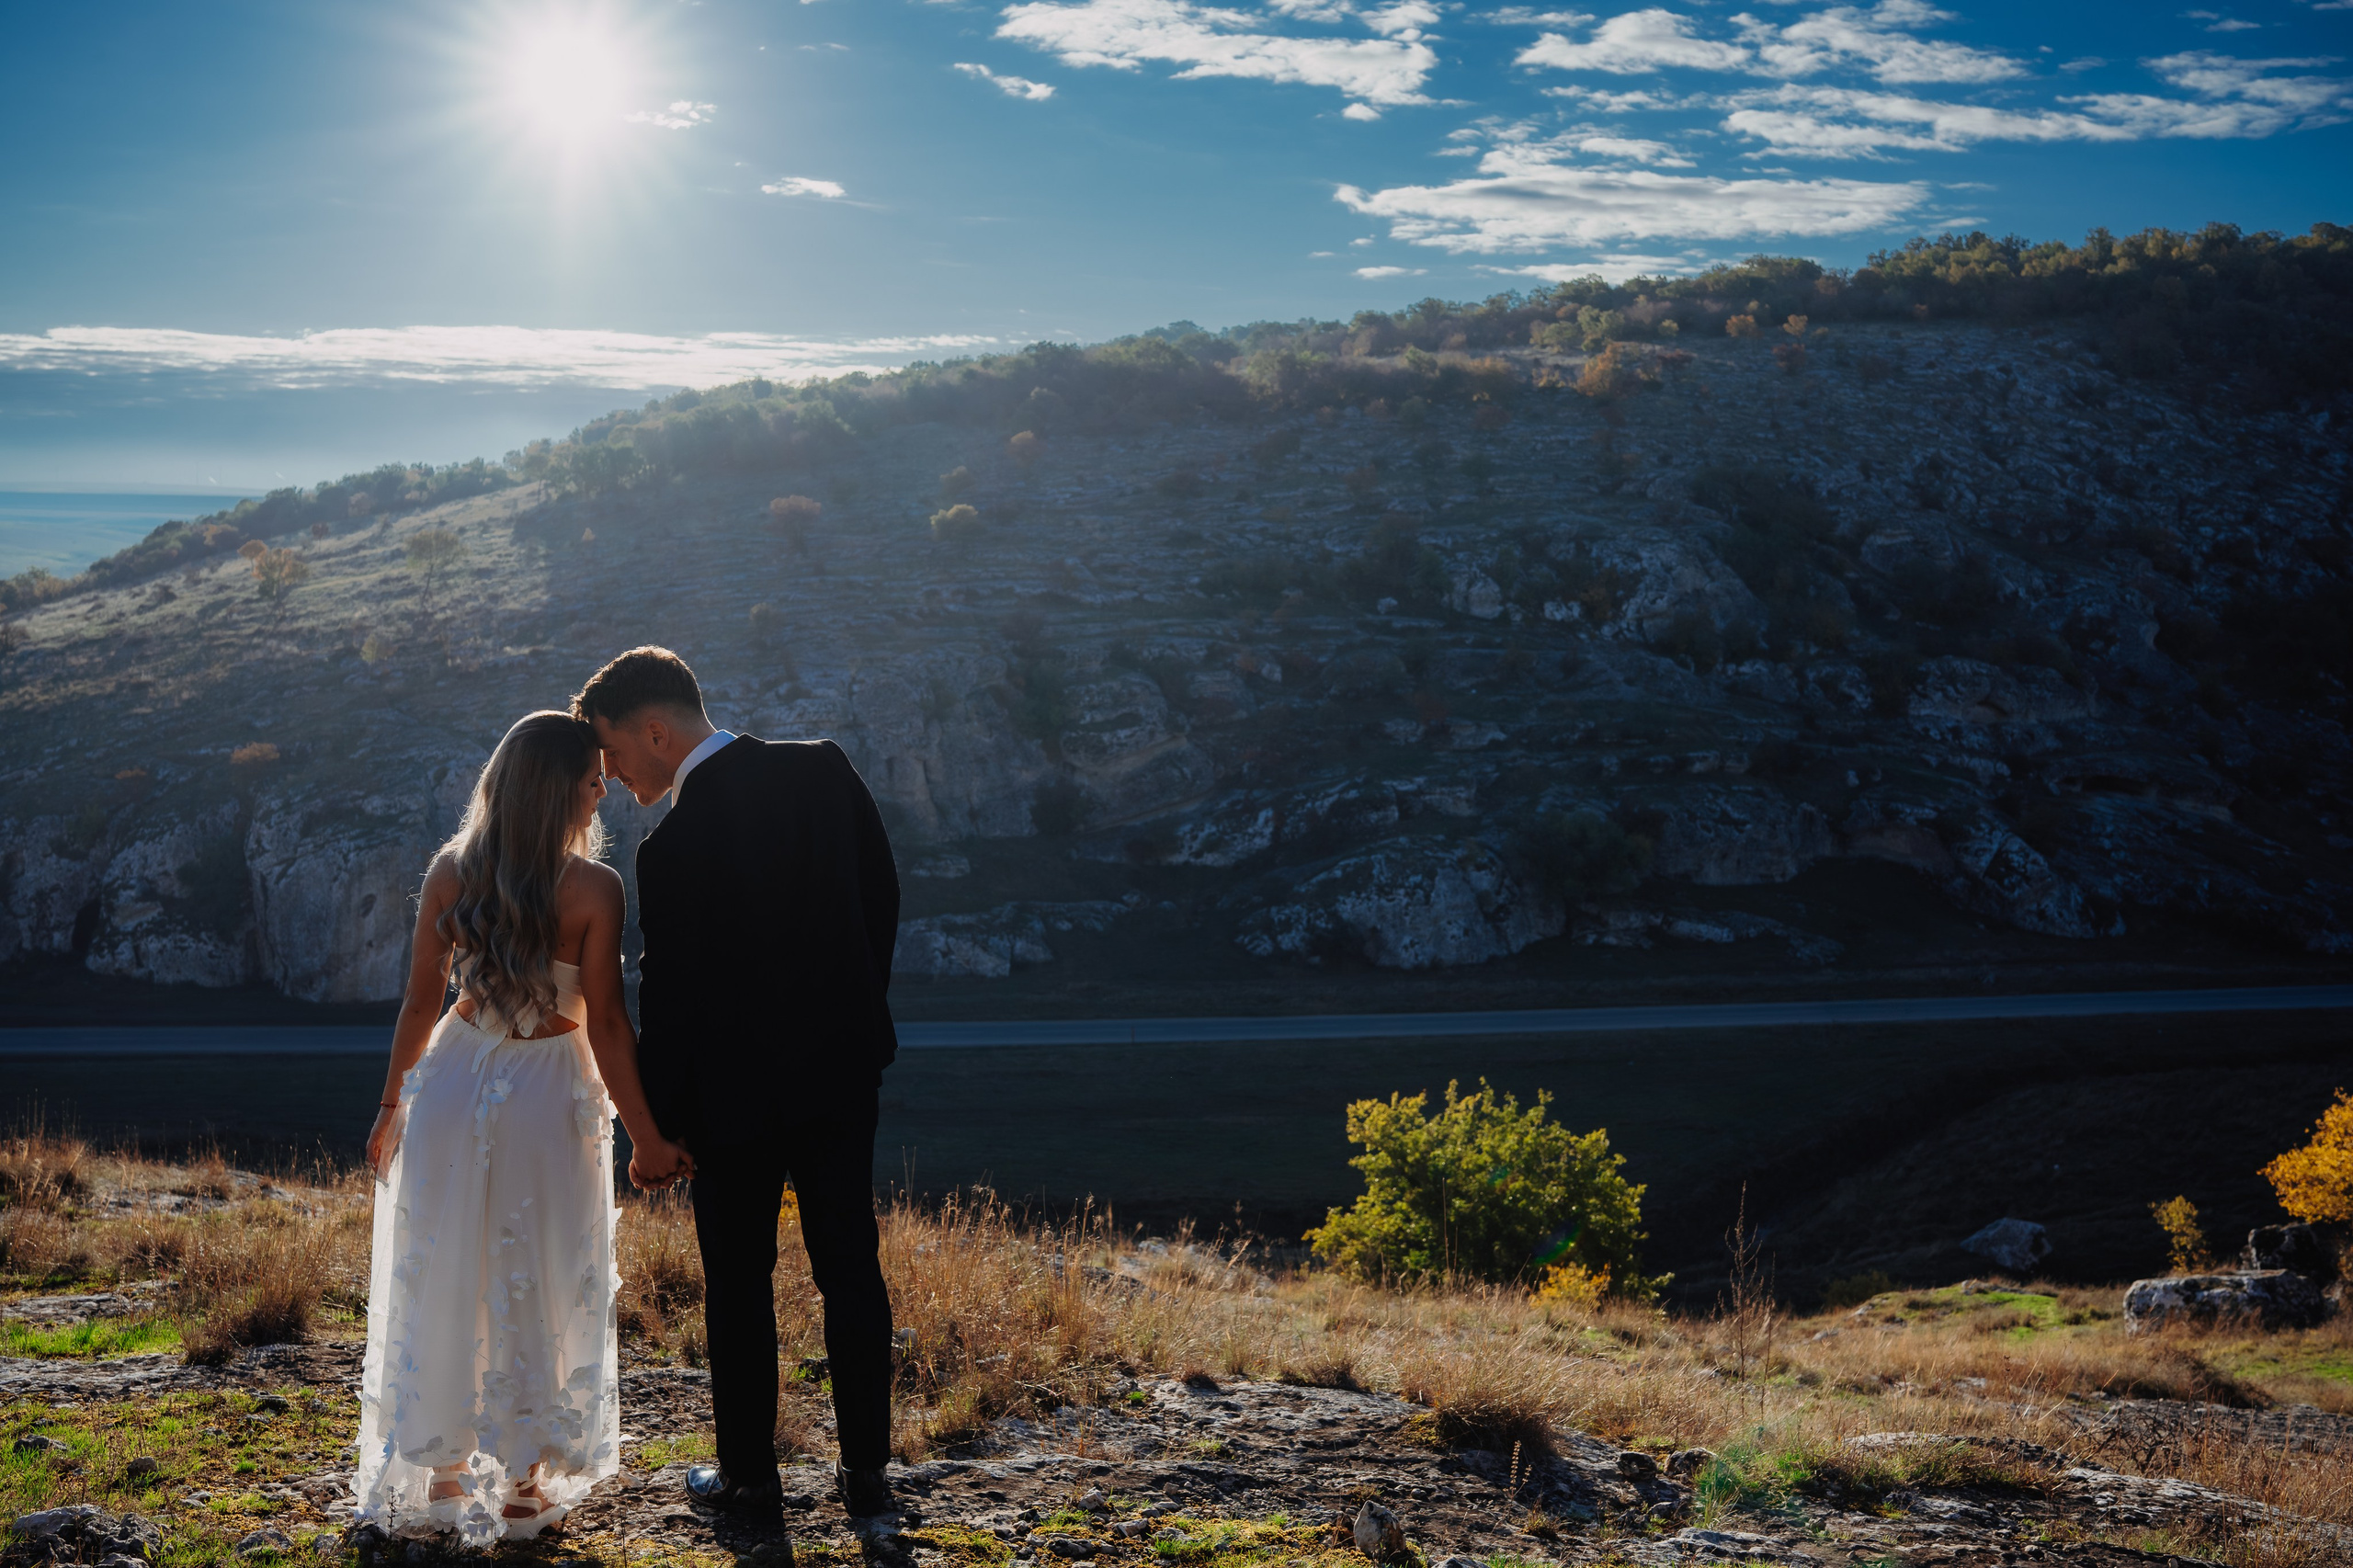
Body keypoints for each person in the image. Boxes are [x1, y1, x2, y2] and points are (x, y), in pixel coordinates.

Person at [571, 645, 902, 1520]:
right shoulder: (824, 769)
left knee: (739, 1286)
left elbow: (672, 1000)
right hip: (840, 1077)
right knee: (852, 1270)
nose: (610, 773)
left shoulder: (673, 845)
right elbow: (883, 898)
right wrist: (855, 1017)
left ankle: (751, 1478)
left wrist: (661, 1128)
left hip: (729, 1105)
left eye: (611, 752)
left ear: (653, 729)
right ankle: (868, 1474)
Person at [354, 711, 693, 1545]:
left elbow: (416, 1006)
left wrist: (392, 1107)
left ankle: (437, 1476)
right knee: (541, 1266)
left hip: (453, 1079)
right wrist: (648, 1136)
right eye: (590, 777)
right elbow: (608, 1024)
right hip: (547, 1092)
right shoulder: (595, 889)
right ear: (558, 789)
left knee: (448, 1260)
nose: (603, 786)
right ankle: (523, 1483)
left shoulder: (450, 871)